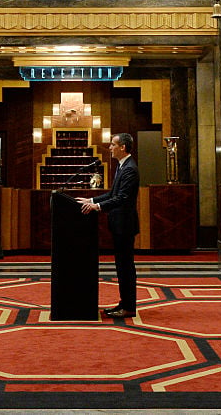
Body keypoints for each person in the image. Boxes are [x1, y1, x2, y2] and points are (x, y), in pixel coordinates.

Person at [76, 132, 140, 318]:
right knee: (122, 266)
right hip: (119, 224)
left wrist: (97, 206)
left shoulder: (129, 169)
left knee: (125, 267)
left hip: (125, 225)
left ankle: (128, 307)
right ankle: (125, 302)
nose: (110, 148)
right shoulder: (122, 166)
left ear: (123, 147)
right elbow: (113, 193)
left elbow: (122, 198)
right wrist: (91, 198)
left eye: (113, 145)